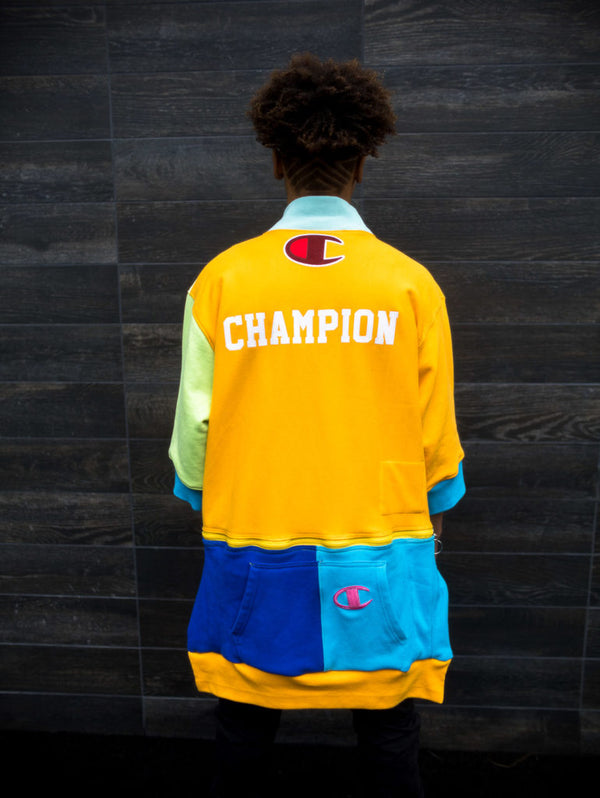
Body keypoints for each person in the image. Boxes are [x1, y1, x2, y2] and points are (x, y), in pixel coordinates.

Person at [169, 53, 465, 798]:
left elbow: (194, 431)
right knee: (389, 724)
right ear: (362, 162)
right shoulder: (409, 284)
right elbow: (436, 438)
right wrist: (435, 509)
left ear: (276, 161)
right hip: (379, 545)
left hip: (252, 538)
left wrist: (202, 494)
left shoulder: (223, 280)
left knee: (244, 719)